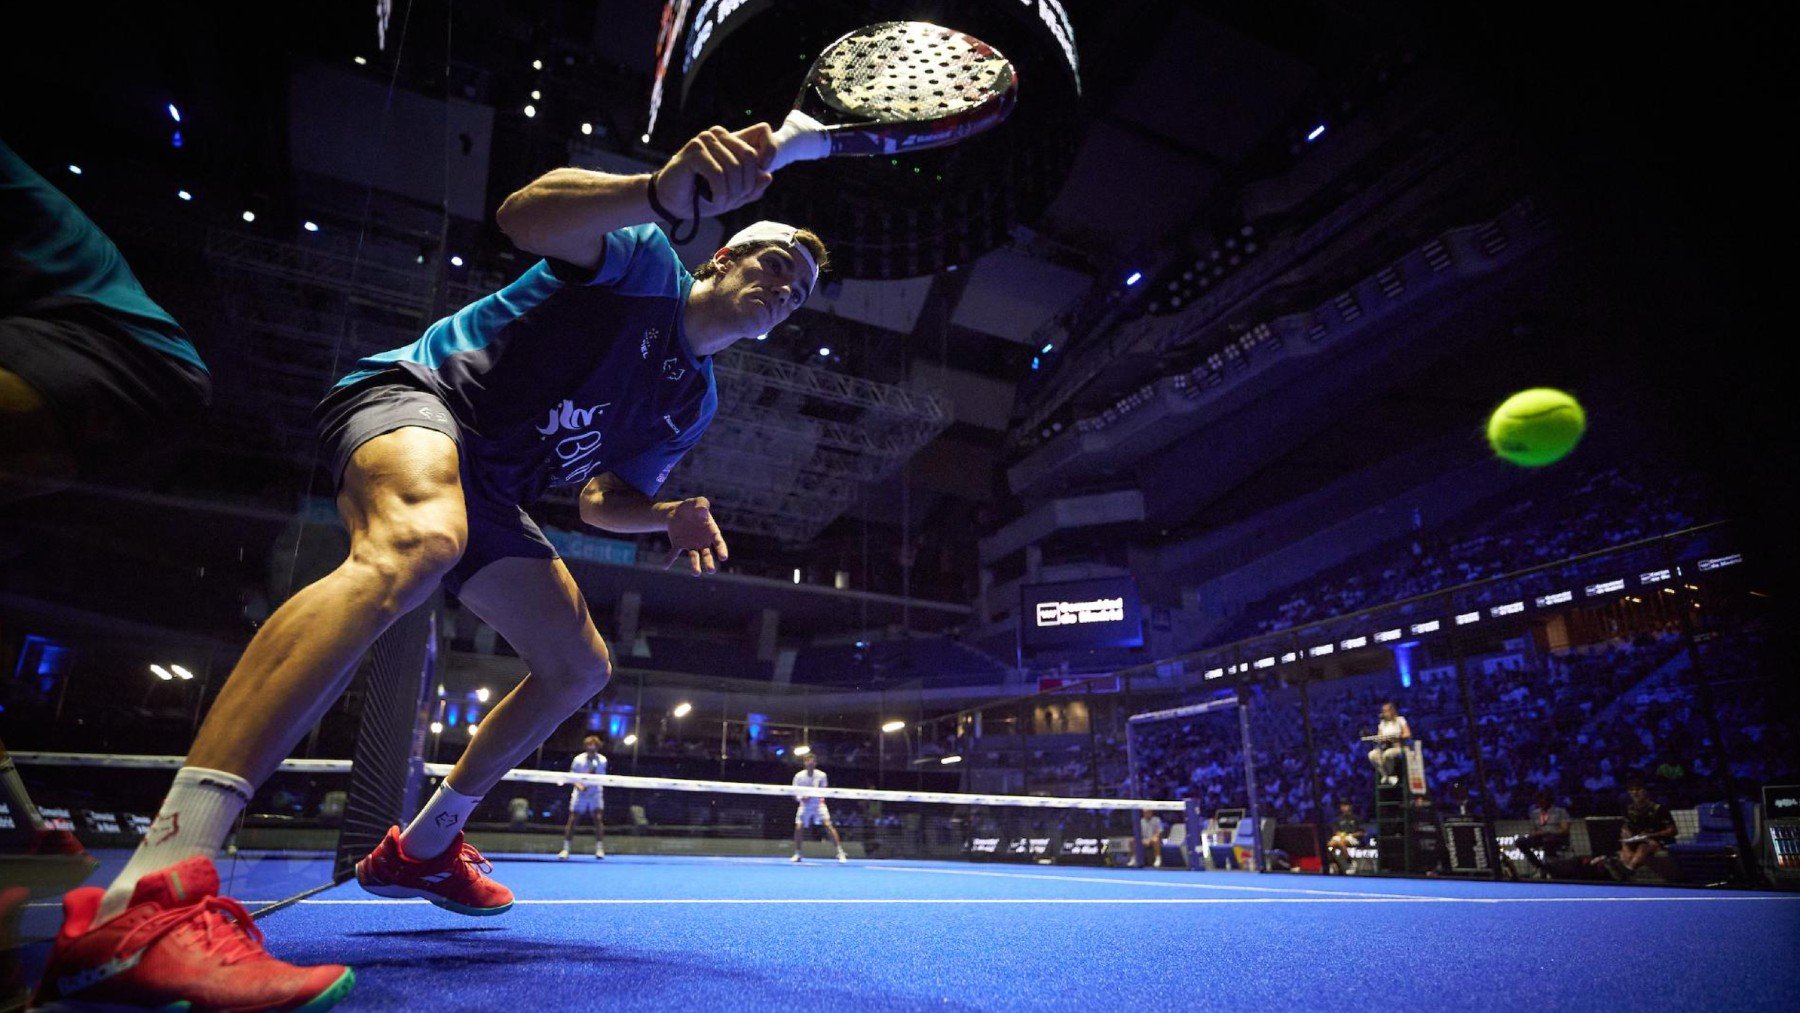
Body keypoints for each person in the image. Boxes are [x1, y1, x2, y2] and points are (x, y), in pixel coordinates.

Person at [35, 121, 826, 1010]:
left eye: (798, 293)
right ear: (719, 260)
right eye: (773, 269)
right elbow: (525, 216)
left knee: (580, 665)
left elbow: (599, 500)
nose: (784, 291)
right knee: (418, 540)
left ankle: (423, 846)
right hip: (415, 399)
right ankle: (154, 889)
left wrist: (664, 516)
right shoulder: (641, 259)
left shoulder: (694, 399)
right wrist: (655, 188)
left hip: (491, 490)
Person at [1595, 777, 1677, 881]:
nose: (1635, 792)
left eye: (1638, 789)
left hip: (1657, 840)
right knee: (1625, 852)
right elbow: (1626, 827)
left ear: (1645, 791)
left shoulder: (1659, 809)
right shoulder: (1628, 809)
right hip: (1637, 839)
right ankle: (1623, 870)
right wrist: (1626, 837)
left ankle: (1628, 869)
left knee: (1643, 847)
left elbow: (1673, 831)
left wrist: (1650, 835)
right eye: (1631, 790)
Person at [791, 753, 847, 863]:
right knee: (798, 828)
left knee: (828, 825)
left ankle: (840, 852)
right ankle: (798, 853)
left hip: (818, 804)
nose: (810, 764)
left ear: (815, 763)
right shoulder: (798, 776)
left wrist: (815, 796)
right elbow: (794, 793)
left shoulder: (822, 775)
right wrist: (802, 798)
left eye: (812, 762)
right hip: (804, 805)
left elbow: (824, 791)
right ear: (805, 763)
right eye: (807, 761)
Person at [559, 735, 607, 860]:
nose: (592, 747)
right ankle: (566, 849)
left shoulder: (602, 760)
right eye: (589, 744)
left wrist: (592, 781)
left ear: (597, 746)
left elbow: (602, 777)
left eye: (594, 745)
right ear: (586, 746)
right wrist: (579, 785)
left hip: (595, 793)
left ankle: (599, 849)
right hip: (580, 794)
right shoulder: (578, 759)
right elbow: (572, 776)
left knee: (598, 819)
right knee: (573, 819)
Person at [1513, 790, 1571, 878]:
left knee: (1548, 841)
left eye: (1543, 800)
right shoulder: (1535, 813)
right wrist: (1535, 834)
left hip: (1557, 837)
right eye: (1538, 800)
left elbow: (1564, 830)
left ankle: (1552, 870)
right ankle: (1541, 867)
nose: (1540, 802)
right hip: (1540, 838)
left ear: (1549, 800)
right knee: (1520, 841)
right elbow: (1532, 830)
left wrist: (1548, 832)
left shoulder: (1560, 812)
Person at [1365, 701, 1412, 785]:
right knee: (1372, 754)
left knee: (1388, 754)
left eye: (1387, 710)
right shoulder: (1382, 724)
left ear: (1392, 711)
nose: (1385, 713)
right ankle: (1387, 776)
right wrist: (1379, 739)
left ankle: (1387, 775)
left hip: (1399, 746)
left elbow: (1407, 734)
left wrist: (1397, 737)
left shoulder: (1400, 720)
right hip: (1385, 746)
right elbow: (1380, 737)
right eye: (1384, 711)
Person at [1326, 800, 1363, 875]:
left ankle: (1350, 863)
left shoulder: (1356, 818)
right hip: (1340, 837)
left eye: (1346, 805)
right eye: (1342, 806)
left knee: (1339, 842)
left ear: (1350, 807)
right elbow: (1336, 831)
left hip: (1353, 838)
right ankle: (1334, 864)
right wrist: (1342, 835)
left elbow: (1361, 832)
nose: (1344, 808)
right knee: (1329, 845)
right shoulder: (1337, 819)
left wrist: (1351, 835)